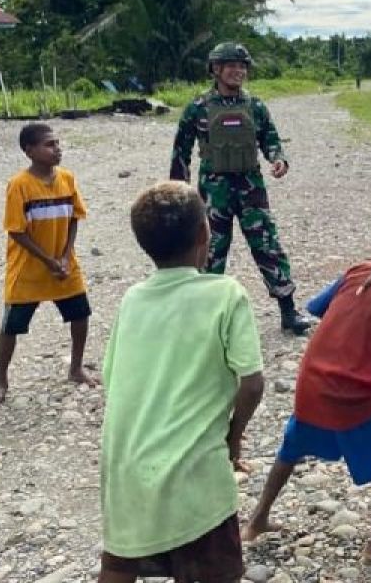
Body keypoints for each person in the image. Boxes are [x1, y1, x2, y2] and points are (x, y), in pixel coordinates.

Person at [242, 214, 371, 564]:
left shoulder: (359, 271)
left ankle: (257, 520)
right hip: (355, 397)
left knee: (292, 446)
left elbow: (316, 307)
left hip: (312, 384)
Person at [99, 181, 265, 583]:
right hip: (194, 474)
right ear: (205, 234)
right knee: (210, 569)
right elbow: (253, 382)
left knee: (120, 567)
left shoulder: (133, 299)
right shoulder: (226, 294)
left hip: (126, 467)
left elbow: (111, 379)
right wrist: (233, 435)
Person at [170, 41, 312, 335]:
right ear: (216, 69)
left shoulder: (255, 106)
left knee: (268, 246)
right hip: (213, 190)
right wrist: (179, 191)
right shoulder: (198, 108)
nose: (238, 71)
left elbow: (271, 140)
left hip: (251, 189)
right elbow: (180, 151)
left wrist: (279, 159)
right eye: (231, 65)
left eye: (242, 66)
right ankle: (203, 319)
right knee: (209, 253)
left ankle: (288, 311)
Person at [0, 122, 97, 408]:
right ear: (29, 151)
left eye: (58, 143)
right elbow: (16, 231)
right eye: (49, 144)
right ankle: (1, 378)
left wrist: (65, 255)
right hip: (29, 269)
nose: (57, 149)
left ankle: (75, 367)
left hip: (63, 265)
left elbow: (74, 218)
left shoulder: (67, 179)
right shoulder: (20, 185)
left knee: (80, 314)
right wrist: (48, 260)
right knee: (11, 326)